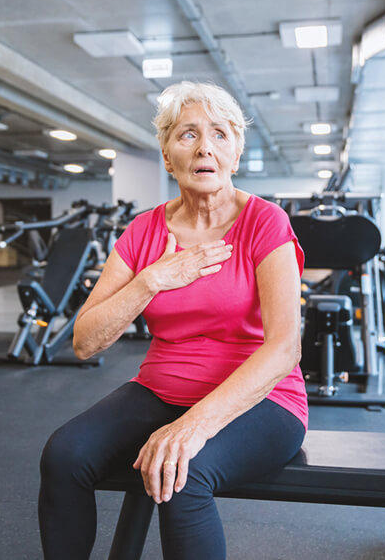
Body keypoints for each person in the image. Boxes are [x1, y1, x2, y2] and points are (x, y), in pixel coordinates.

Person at [38, 81, 308, 560]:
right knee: (64, 455)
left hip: (262, 401)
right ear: (167, 156)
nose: (205, 146)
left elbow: (284, 349)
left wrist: (194, 426)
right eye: (188, 134)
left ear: (235, 155)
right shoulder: (144, 231)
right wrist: (149, 282)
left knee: (184, 476)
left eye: (221, 135)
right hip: (162, 391)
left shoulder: (265, 222)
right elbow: (84, 341)